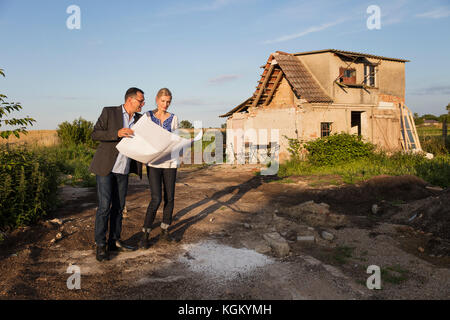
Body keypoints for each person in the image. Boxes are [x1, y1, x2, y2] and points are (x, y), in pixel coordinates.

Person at [90, 87, 145, 261]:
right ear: (130, 100)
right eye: (140, 101)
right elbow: (95, 134)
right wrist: (117, 133)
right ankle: (100, 244)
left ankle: (114, 241)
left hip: (124, 168)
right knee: (105, 207)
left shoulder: (140, 119)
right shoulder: (109, 112)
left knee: (119, 207)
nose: (142, 104)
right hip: (106, 168)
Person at [139, 88, 179, 249]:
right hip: (154, 163)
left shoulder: (174, 118)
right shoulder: (148, 116)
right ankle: (145, 234)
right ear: (156, 100)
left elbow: (175, 139)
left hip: (170, 162)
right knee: (156, 198)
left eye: (168, 101)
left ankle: (165, 230)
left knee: (170, 198)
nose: (166, 104)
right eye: (163, 101)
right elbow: (141, 136)